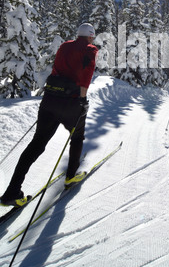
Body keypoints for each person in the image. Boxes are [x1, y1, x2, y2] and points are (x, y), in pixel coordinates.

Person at [0, 23, 98, 207]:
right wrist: (83, 101)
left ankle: (11, 192)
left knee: (36, 144)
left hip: (50, 101)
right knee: (77, 137)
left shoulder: (64, 46)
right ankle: (70, 177)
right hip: (71, 102)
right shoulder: (90, 50)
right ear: (91, 36)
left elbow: (57, 69)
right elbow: (86, 76)